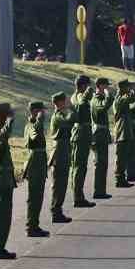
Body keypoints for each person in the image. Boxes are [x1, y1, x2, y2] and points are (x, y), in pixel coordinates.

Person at [0, 103, 19, 259]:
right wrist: (10, 120)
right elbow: (4, 134)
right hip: (1, 179)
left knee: (5, 216)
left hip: (5, 178)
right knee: (1, 216)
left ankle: (0, 247)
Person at [20, 100, 51, 237]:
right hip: (34, 164)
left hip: (39, 163)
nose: (43, 113)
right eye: (41, 111)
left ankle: (34, 225)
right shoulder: (31, 125)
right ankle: (31, 227)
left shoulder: (36, 124)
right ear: (34, 111)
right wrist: (38, 120)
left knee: (38, 196)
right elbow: (34, 138)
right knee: (34, 197)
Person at [48, 91, 76, 224]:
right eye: (65, 100)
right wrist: (71, 107)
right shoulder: (58, 115)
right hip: (59, 152)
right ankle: (56, 211)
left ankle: (58, 211)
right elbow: (70, 120)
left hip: (63, 150)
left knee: (62, 183)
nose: (67, 102)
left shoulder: (62, 114)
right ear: (59, 102)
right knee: (59, 184)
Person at [69, 75, 96, 209]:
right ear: (82, 86)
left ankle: (78, 196)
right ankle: (78, 197)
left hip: (82, 133)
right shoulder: (78, 96)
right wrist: (88, 93)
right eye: (87, 86)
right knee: (79, 167)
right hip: (81, 134)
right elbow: (82, 104)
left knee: (80, 167)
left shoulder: (77, 96)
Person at [90, 77, 114, 200]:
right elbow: (102, 108)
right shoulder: (96, 99)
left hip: (102, 133)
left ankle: (101, 190)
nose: (107, 88)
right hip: (99, 134)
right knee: (100, 163)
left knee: (103, 163)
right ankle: (98, 191)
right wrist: (108, 95)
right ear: (99, 86)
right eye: (105, 86)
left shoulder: (99, 98)